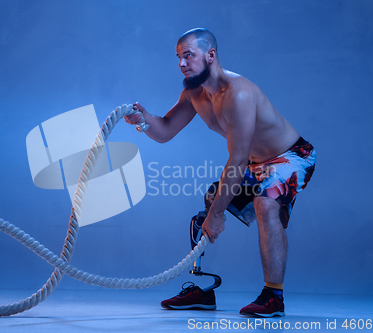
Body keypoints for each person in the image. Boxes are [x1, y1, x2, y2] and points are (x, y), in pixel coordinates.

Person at [124, 28, 316, 317]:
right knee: (212, 199)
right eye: (178, 57)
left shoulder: (238, 94)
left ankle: (273, 295)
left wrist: (218, 215)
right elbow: (164, 131)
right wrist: (143, 120)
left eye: (188, 55)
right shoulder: (193, 93)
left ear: (210, 55)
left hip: (291, 156)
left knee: (265, 204)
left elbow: (238, 159)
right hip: (256, 165)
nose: (181, 63)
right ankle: (202, 289)